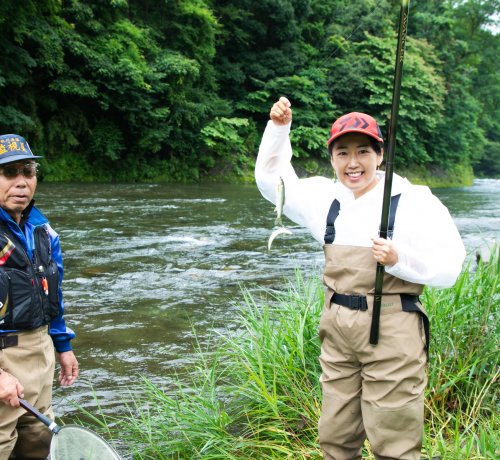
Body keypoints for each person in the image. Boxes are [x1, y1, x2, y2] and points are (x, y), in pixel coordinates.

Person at [255, 97, 466, 460]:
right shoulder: (322, 197)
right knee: (335, 438)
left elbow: (451, 265)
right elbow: (272, 181)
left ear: (379, 154)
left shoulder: (416, 200)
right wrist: (278, 129)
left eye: (363, 151)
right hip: (337, 331)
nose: (353, 163)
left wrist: (400, 260)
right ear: (332, 158)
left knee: (394, 440)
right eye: (343, 153)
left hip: (393, 331)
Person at [0, 134, 79, 459]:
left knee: (38, 440)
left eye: (27, 172)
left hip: (39, 351)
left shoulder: (45, 232)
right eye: (9, 173)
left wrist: (63, 346)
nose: (21, 182)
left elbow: (53, 297)